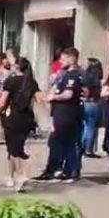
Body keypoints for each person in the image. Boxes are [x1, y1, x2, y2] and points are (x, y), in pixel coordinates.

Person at [36, 47, 84, 183]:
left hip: (66, 114)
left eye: (63, 59)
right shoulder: (64, 74)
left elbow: (68, 95)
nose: (61, 62)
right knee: (63, 142)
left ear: (72, 59)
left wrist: (53, 97)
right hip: (61, 113)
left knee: (61, 141)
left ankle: (62, 171)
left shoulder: (73, 75)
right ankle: (61, 170)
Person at [0, 57, 40, 192]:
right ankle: (11, 176)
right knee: (17, 147)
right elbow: (38, 99)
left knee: (13, 149)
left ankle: (21, 174)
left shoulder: (11, 81)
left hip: (12, 116)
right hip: (26, 118)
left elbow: (3, 101)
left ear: (17, 67)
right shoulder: (31, 82)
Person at [80, 58, 103, 158]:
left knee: (86, 126)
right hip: (93, 102)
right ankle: (88, 149)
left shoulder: (85, 76)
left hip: (86, 102)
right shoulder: (97, 79)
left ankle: (82, 147)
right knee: (91, 126)